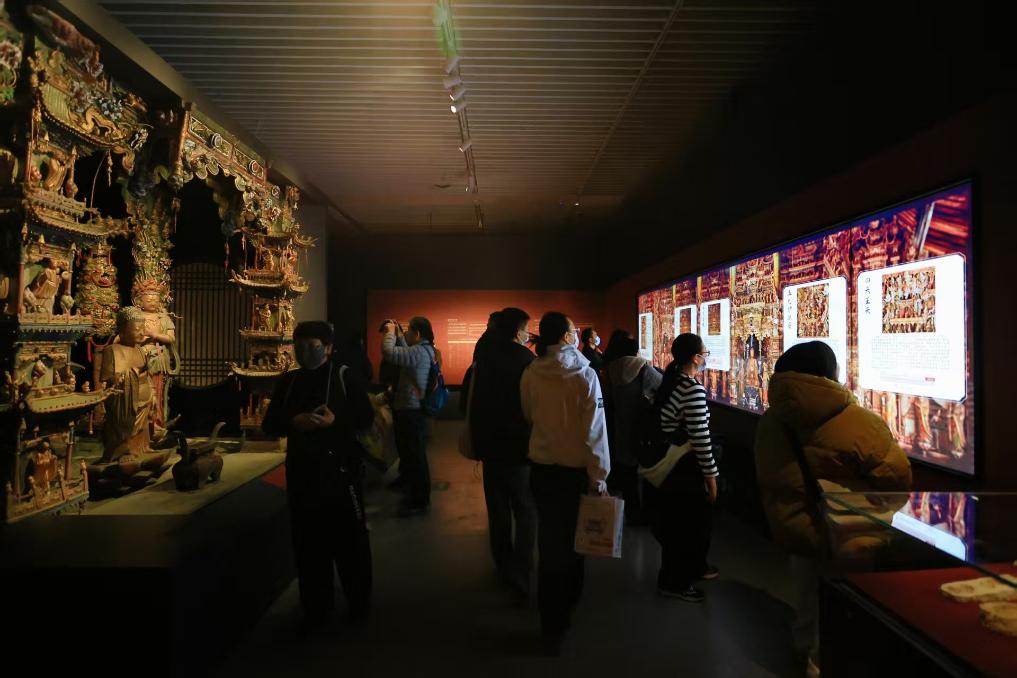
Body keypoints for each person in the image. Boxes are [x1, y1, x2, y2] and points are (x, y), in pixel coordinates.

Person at [754, 341, 911, 676]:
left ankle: (804, 648)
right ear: (829, 372)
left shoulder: (772, 421)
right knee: (843, 604)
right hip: (847, 531)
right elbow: (897, 478)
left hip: (796, 526)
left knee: (808, 595)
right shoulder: (858, 421)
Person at [262, 321, 375, 626]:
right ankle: (315, 606)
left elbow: (366, 418)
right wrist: (293, 422)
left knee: (350, 540)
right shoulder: (289, 381)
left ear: (328, 348)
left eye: (312, 347)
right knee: (308, 543)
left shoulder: (344, 376)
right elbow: (269, 424)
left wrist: (336, 421)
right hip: (302, 473)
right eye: (299, 347)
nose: (305, 353)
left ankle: (358, 601)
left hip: (341, 472)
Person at [520, 311, 610, 654]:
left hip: (542, 470)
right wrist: (599, 478)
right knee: (576, 540)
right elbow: (595, 433)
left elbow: (528, 414)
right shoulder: (585, 374)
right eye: (573, 330)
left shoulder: (531, 372)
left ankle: (551, 620)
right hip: (574, 474)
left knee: (549, 543)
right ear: (565, 336)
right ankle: (568, 605)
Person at [641, 333, 719, 603]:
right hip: (683, 469)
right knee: (685, 528)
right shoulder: (691, 389)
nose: (706, 358)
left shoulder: (672, 381)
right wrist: (711, 477)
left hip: (672, 468)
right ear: (695, 358)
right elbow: (701, 438)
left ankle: (684, 572)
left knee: (677, 525)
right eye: (705, 353)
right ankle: (674, 582)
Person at [469, 307, 537, 601]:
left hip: (490, 447)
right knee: (525, 509)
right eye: (526, 329)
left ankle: (503, 565)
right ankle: (521, 572)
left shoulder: (484, 356)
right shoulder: (526, 360)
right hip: (520, 448)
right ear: (518, 331)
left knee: (497, 511)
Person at [381, 316, 438, 516]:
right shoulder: (425, 350)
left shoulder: (418, 352)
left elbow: (389, 353)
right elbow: (407, 354)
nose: (406, 334)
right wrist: (399, 336)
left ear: (417, 333)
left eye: (408, 331)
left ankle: (420, 499)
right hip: (413, 409)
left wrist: (390, 333)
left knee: (415, 455)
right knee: (412, 452)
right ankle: (412, 489)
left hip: (411, 411)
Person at [602, 333, 662, 521]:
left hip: (618, 427)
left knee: (627, 473)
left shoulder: (609, 369)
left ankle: (632, 512)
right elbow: (662, 386)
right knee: (645, 471)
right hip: (641, 428)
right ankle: (647, 513)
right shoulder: (643, 368)